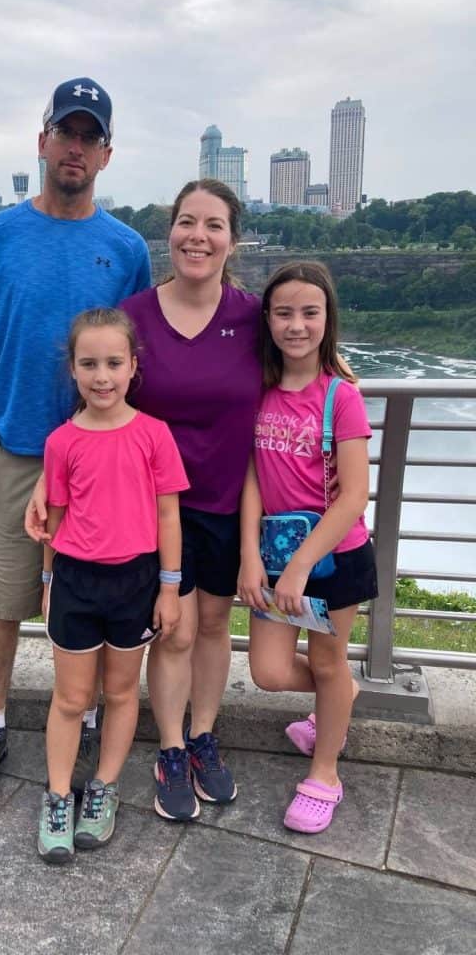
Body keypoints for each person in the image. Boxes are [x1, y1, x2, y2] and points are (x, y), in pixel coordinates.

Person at [28, 179, 262, 821]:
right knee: (174, 631)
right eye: (187, 222)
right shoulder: (136, 314)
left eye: (214, 225)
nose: (198, 236)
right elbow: (93, 398)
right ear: (170, 232)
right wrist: (51, 492)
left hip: (219, 498)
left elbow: (302, 370)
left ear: (232, 239)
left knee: (213, 626)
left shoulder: (252, 316)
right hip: (149, 510)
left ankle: (203, 737)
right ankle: (172, 746)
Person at [0, 78, 151, 804]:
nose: (76, 147)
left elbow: (133, 352)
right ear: (42, 142)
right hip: (17, 451)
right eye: (65, 132)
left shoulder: (126, 248)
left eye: (89, 136)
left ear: (106, 155)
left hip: (99, 459)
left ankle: (89, 718)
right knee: (4, 596)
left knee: (90, 595)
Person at [38, 308, 188, 863]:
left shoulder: (154, 435)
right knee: (73, 697)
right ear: (73, 370)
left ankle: (102, 787)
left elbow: (169, 516)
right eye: (89, 364)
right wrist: (49, 581)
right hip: (76, 581)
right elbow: (53, 520)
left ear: (132, 366)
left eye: (113, 363)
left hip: (137, 581)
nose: (102, 376)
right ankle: (57, 794)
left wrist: (169, 588)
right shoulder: (61, 442)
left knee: (123, 692)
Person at [237, 260, 377, 834]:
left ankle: (324, 774)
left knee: (324, 660)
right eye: (285, 312)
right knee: (268, 670)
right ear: (267, 319)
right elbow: (251, 477)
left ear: (327, 319)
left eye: (309, 313)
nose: (297, 325)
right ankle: (338, 696)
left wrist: (296, 570)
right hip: (275, 556)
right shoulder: (259, 390)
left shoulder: (341, 396)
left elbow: (352, 498)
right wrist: (250, 555)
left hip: (335, 559)